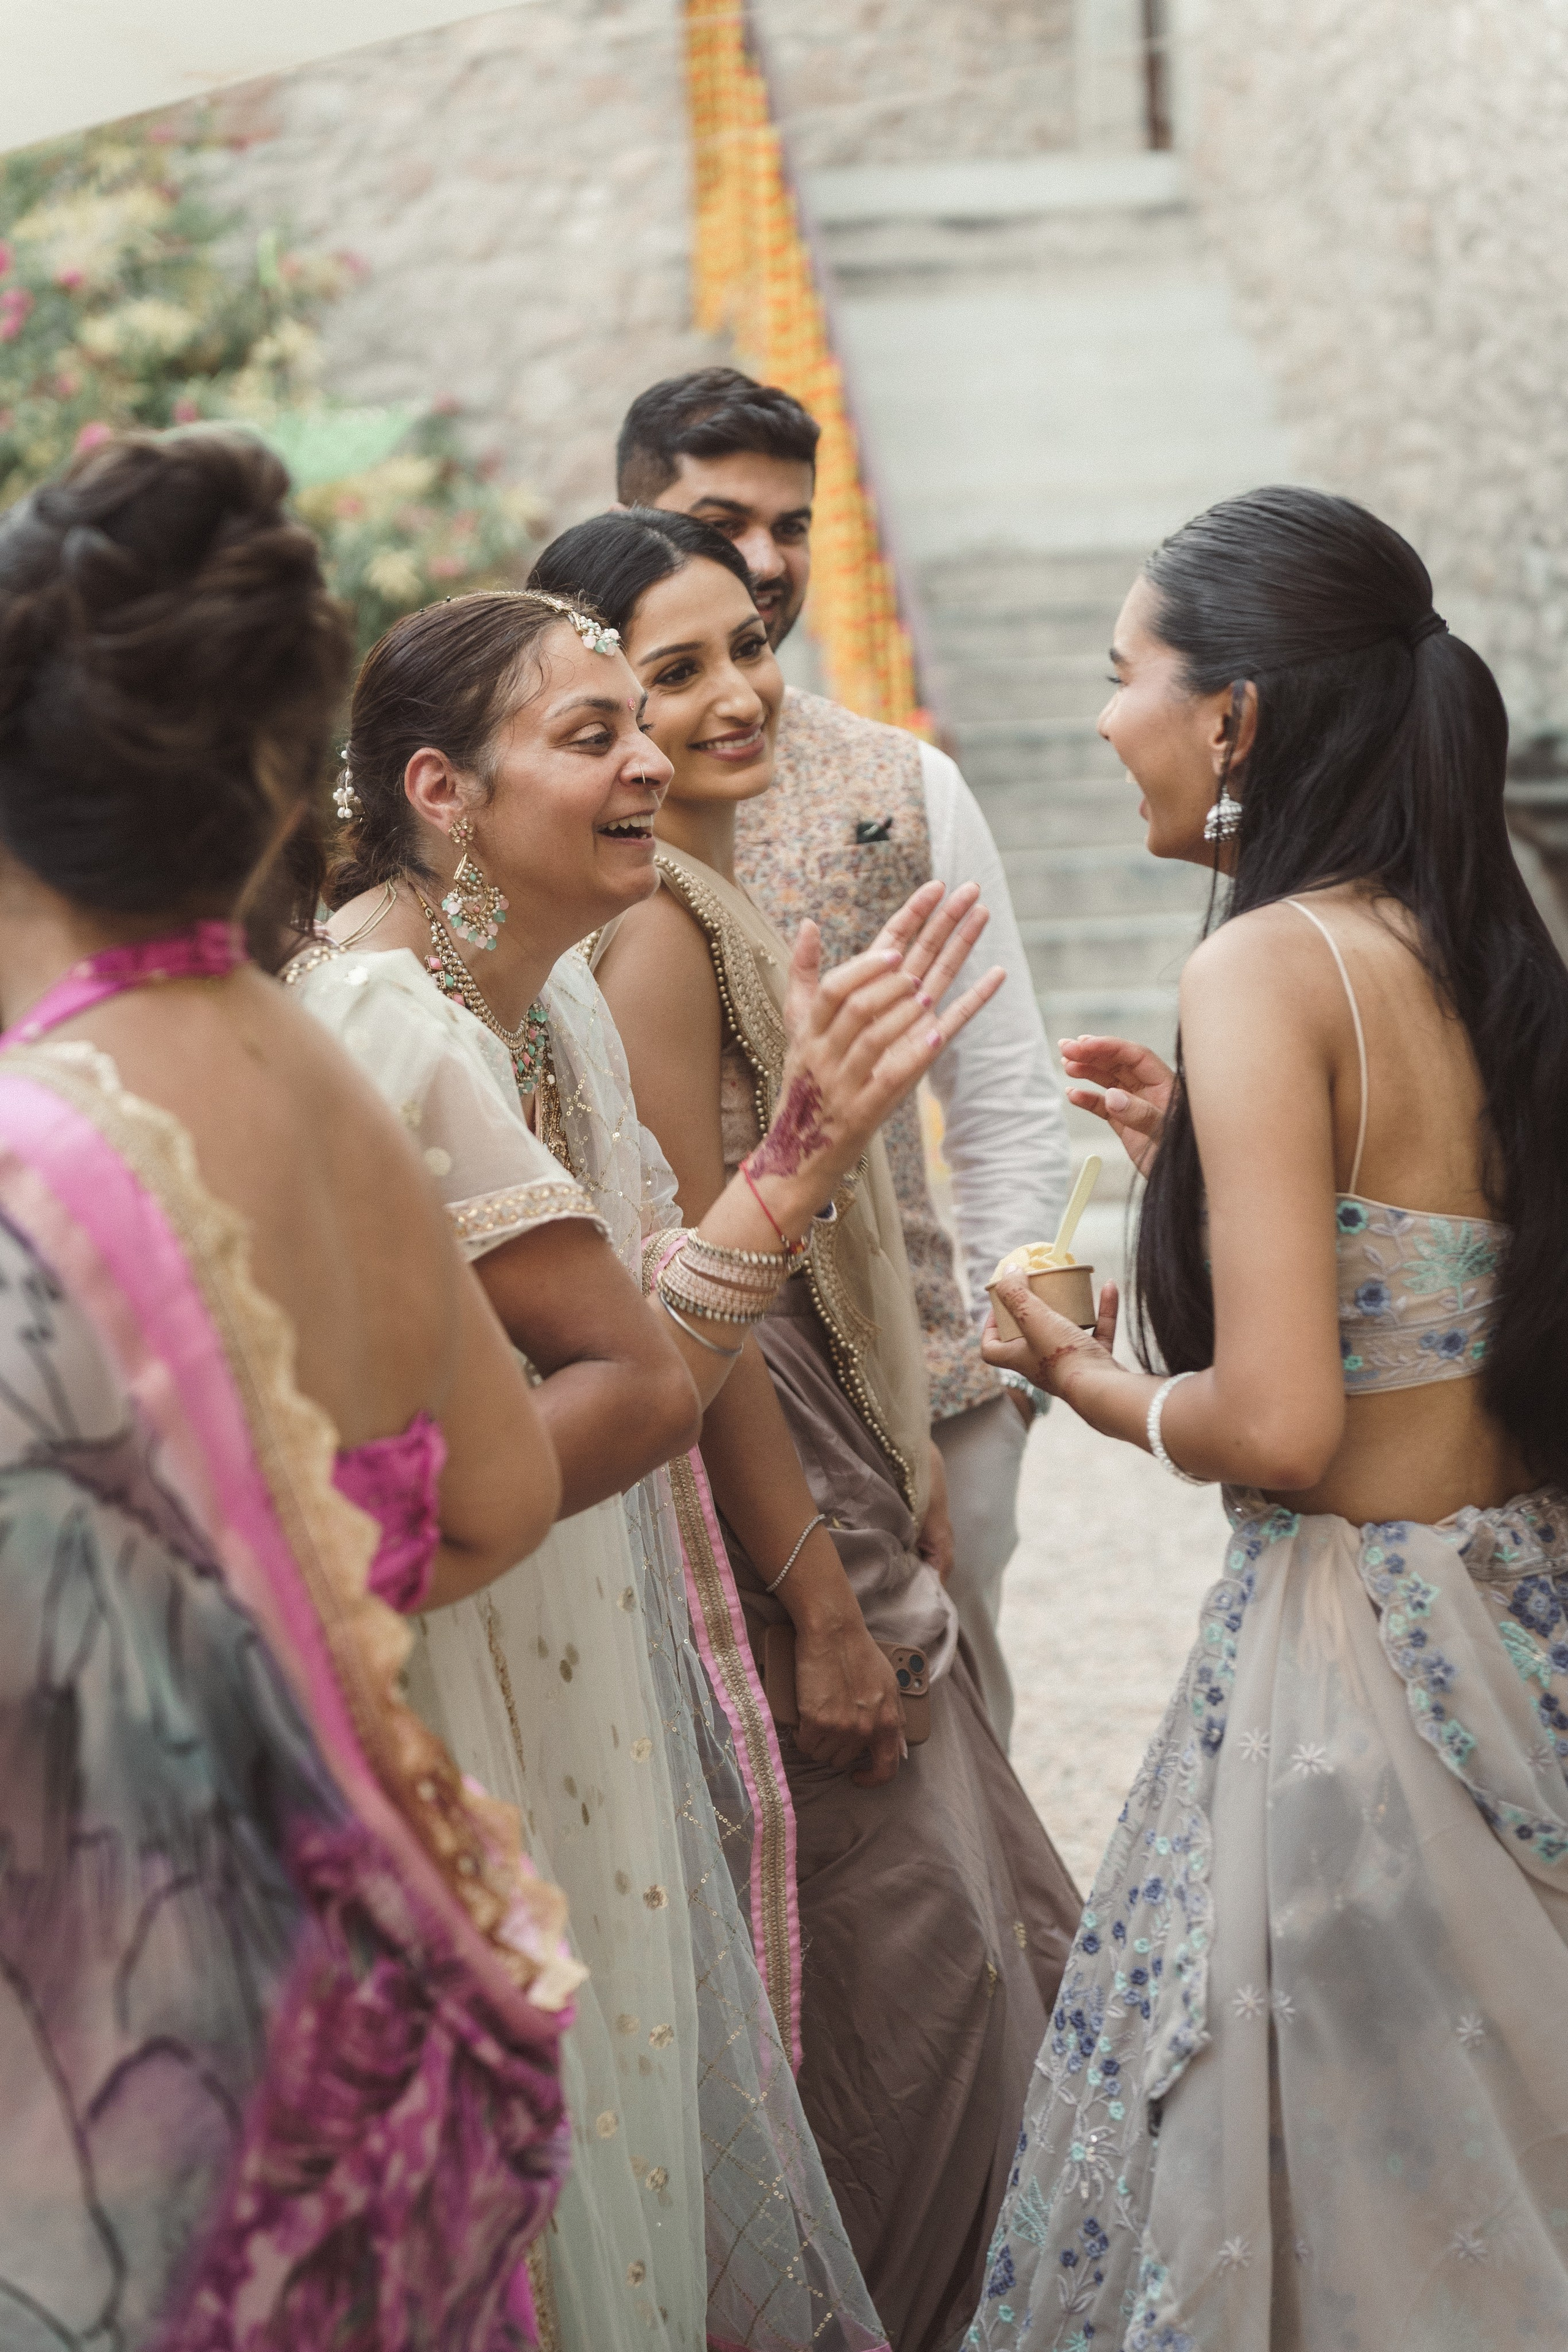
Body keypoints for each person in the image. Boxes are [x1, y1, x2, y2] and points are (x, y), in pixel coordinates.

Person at [287, 582, 992, 2351]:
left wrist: (797, 1173)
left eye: (639, 726)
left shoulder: (563, 1007)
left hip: (572, 1602)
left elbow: (656, 1329)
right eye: (591, 731)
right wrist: (794, 1176)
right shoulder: (378, 1026)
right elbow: (628, 1380)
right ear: (443, 791)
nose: (647, 760)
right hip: (452, 1642)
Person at [968, 486, 1568, 2348]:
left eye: (1120, 671)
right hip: (1518, 1619)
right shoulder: (1475, 931)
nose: (1099, 717)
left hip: (1360, 1677)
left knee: (1357, 2197)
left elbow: (1289, 1422)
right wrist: (1194, 1164)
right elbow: (1439, 1268)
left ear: (1235, 716)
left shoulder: (1266, 961)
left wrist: (1087, 1382)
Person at [0, 428, 577, 2346]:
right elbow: (495, 1496)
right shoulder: (318, 1052)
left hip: (106, 2042)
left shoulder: (42, 1147)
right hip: (348, 1997)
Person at [534, 505, 1082, 2352]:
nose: (733, 696)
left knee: (964, 1940)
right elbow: (711, 1304)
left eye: (744, 648)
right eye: (664, 675)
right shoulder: (664, 936)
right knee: (906, 1971)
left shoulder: (677, 896)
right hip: (775, 1509)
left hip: (847, 1465)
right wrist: (826, 1603)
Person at [616, 366, 1071, 1748]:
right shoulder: (561, 818)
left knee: (951, 1738)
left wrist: (994, 1379)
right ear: (633, 517)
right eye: (720, 519)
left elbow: (1004, 1092)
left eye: (791, 527)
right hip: (671, 1382)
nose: (762, 563)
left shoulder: (901, 784)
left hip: (922, 1383)